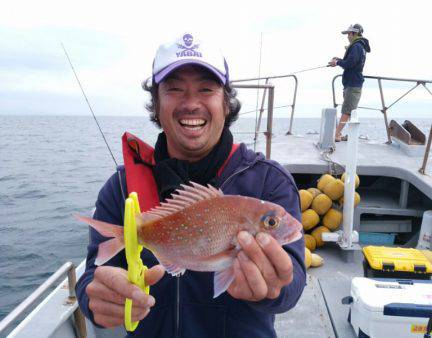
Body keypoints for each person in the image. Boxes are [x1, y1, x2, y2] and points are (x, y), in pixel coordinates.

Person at [75, 32, 306, 338]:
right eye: (174, 90)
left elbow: (294, 280)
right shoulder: (121, 187)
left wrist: (276, 287)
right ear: (156, 105)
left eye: (206, 89)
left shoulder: (269, 180)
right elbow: (93, 273)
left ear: (226, 103)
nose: (192, 103)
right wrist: (97, 299)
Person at [329, 23, 371, 142]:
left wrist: (337, 63)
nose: (347, 36)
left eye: (349, 34)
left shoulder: (357, 46)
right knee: (348, 110)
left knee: (347, 111)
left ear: (354, 33)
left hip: (353, 84)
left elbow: (350, 64)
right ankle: (338, 133)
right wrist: (338, 60)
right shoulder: (358, 46)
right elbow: (350, 62)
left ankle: (336, 134)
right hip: (351, 83)